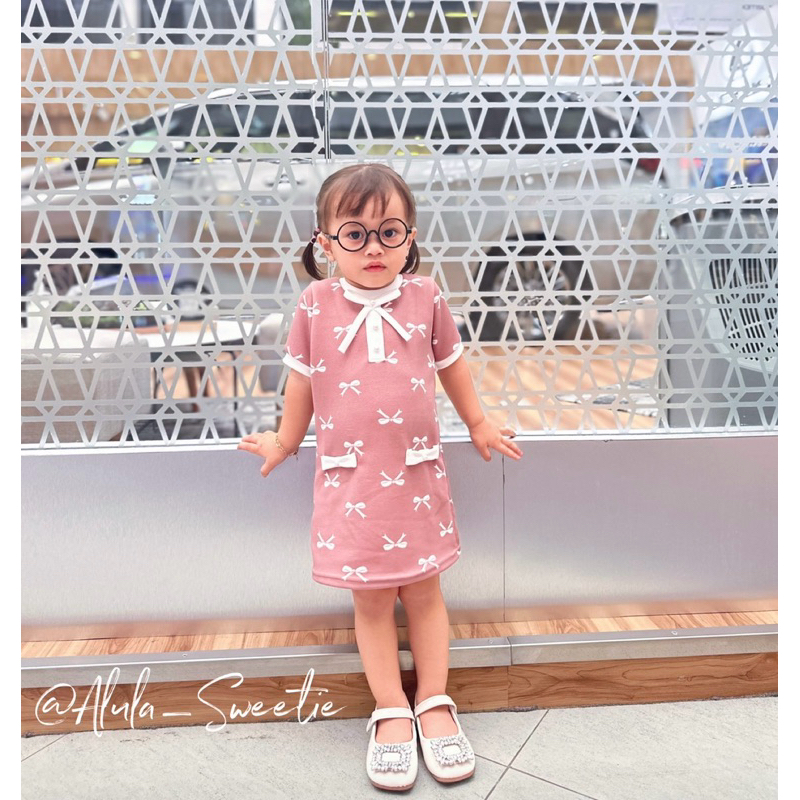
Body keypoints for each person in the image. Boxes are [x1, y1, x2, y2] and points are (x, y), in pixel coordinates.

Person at [238, 163, 522, 790]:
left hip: (416, 475)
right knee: (369, 600)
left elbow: (453, 365)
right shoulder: (315, 305)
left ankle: (435, 702)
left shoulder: (427, 298)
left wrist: (478, 422)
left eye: (389, 232)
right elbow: (301, 383)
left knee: (424, 590)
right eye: (355, 233)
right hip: (353, 482)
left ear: (410, 237)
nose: (374, 248)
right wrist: (285, 440)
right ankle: (391, 707)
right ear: (325, 242)